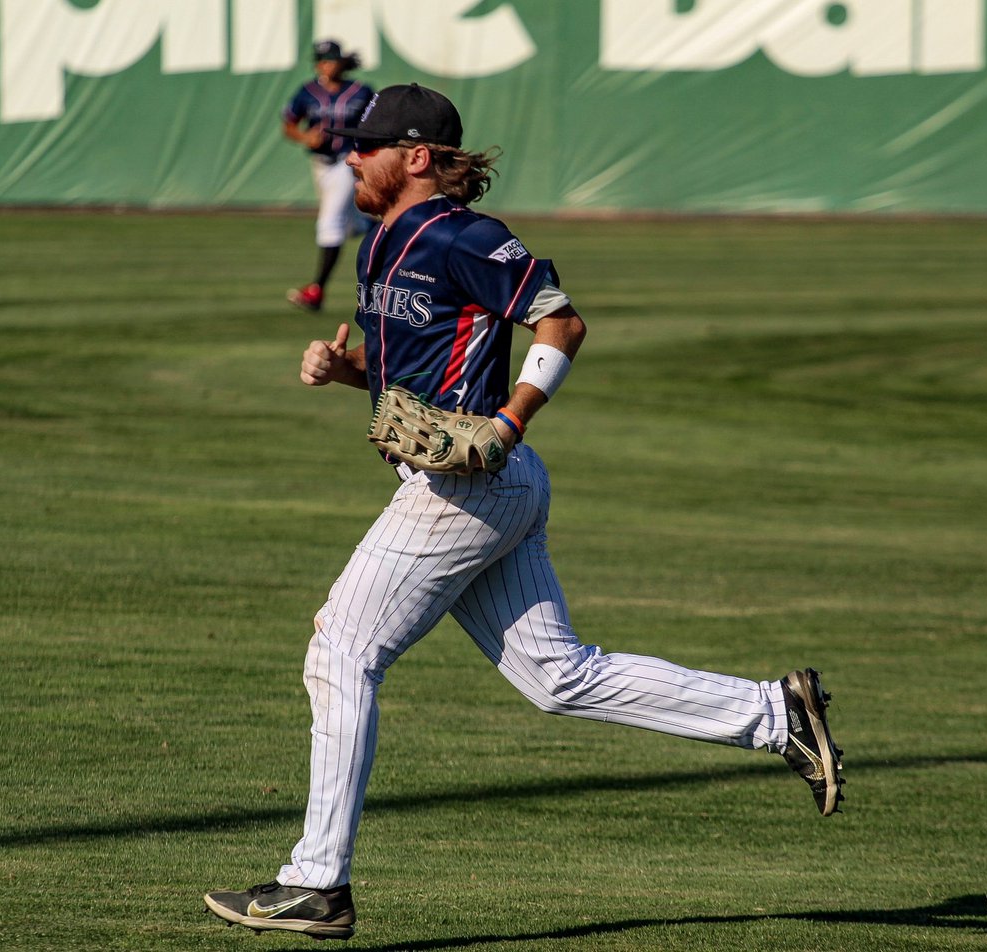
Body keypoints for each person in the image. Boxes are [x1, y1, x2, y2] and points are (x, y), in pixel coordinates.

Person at [205, 84, 845, 941]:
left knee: (341, 651)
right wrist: (343, 371)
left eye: (367, 144)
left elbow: (562, 326)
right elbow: (407, 381)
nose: (349, 155)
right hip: (474, 490)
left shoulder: (466, 236)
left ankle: (317, 884)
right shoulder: (378, 240)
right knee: (558, 676)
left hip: (468, 490)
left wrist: (510, 420)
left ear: (417, 157)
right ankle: (774, 713)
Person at [281, 40, 375, 312]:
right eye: (322, 60)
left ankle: (317, 290)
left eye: (331, 59)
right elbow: (288, 125)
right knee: (351, 224)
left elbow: (377, 125)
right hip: (320, 164)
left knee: (330, 223)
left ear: (341, 62)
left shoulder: (361, 91)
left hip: (348, 162)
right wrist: (304, 137)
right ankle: (384, 229)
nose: (326, 65)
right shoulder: (308, 91)